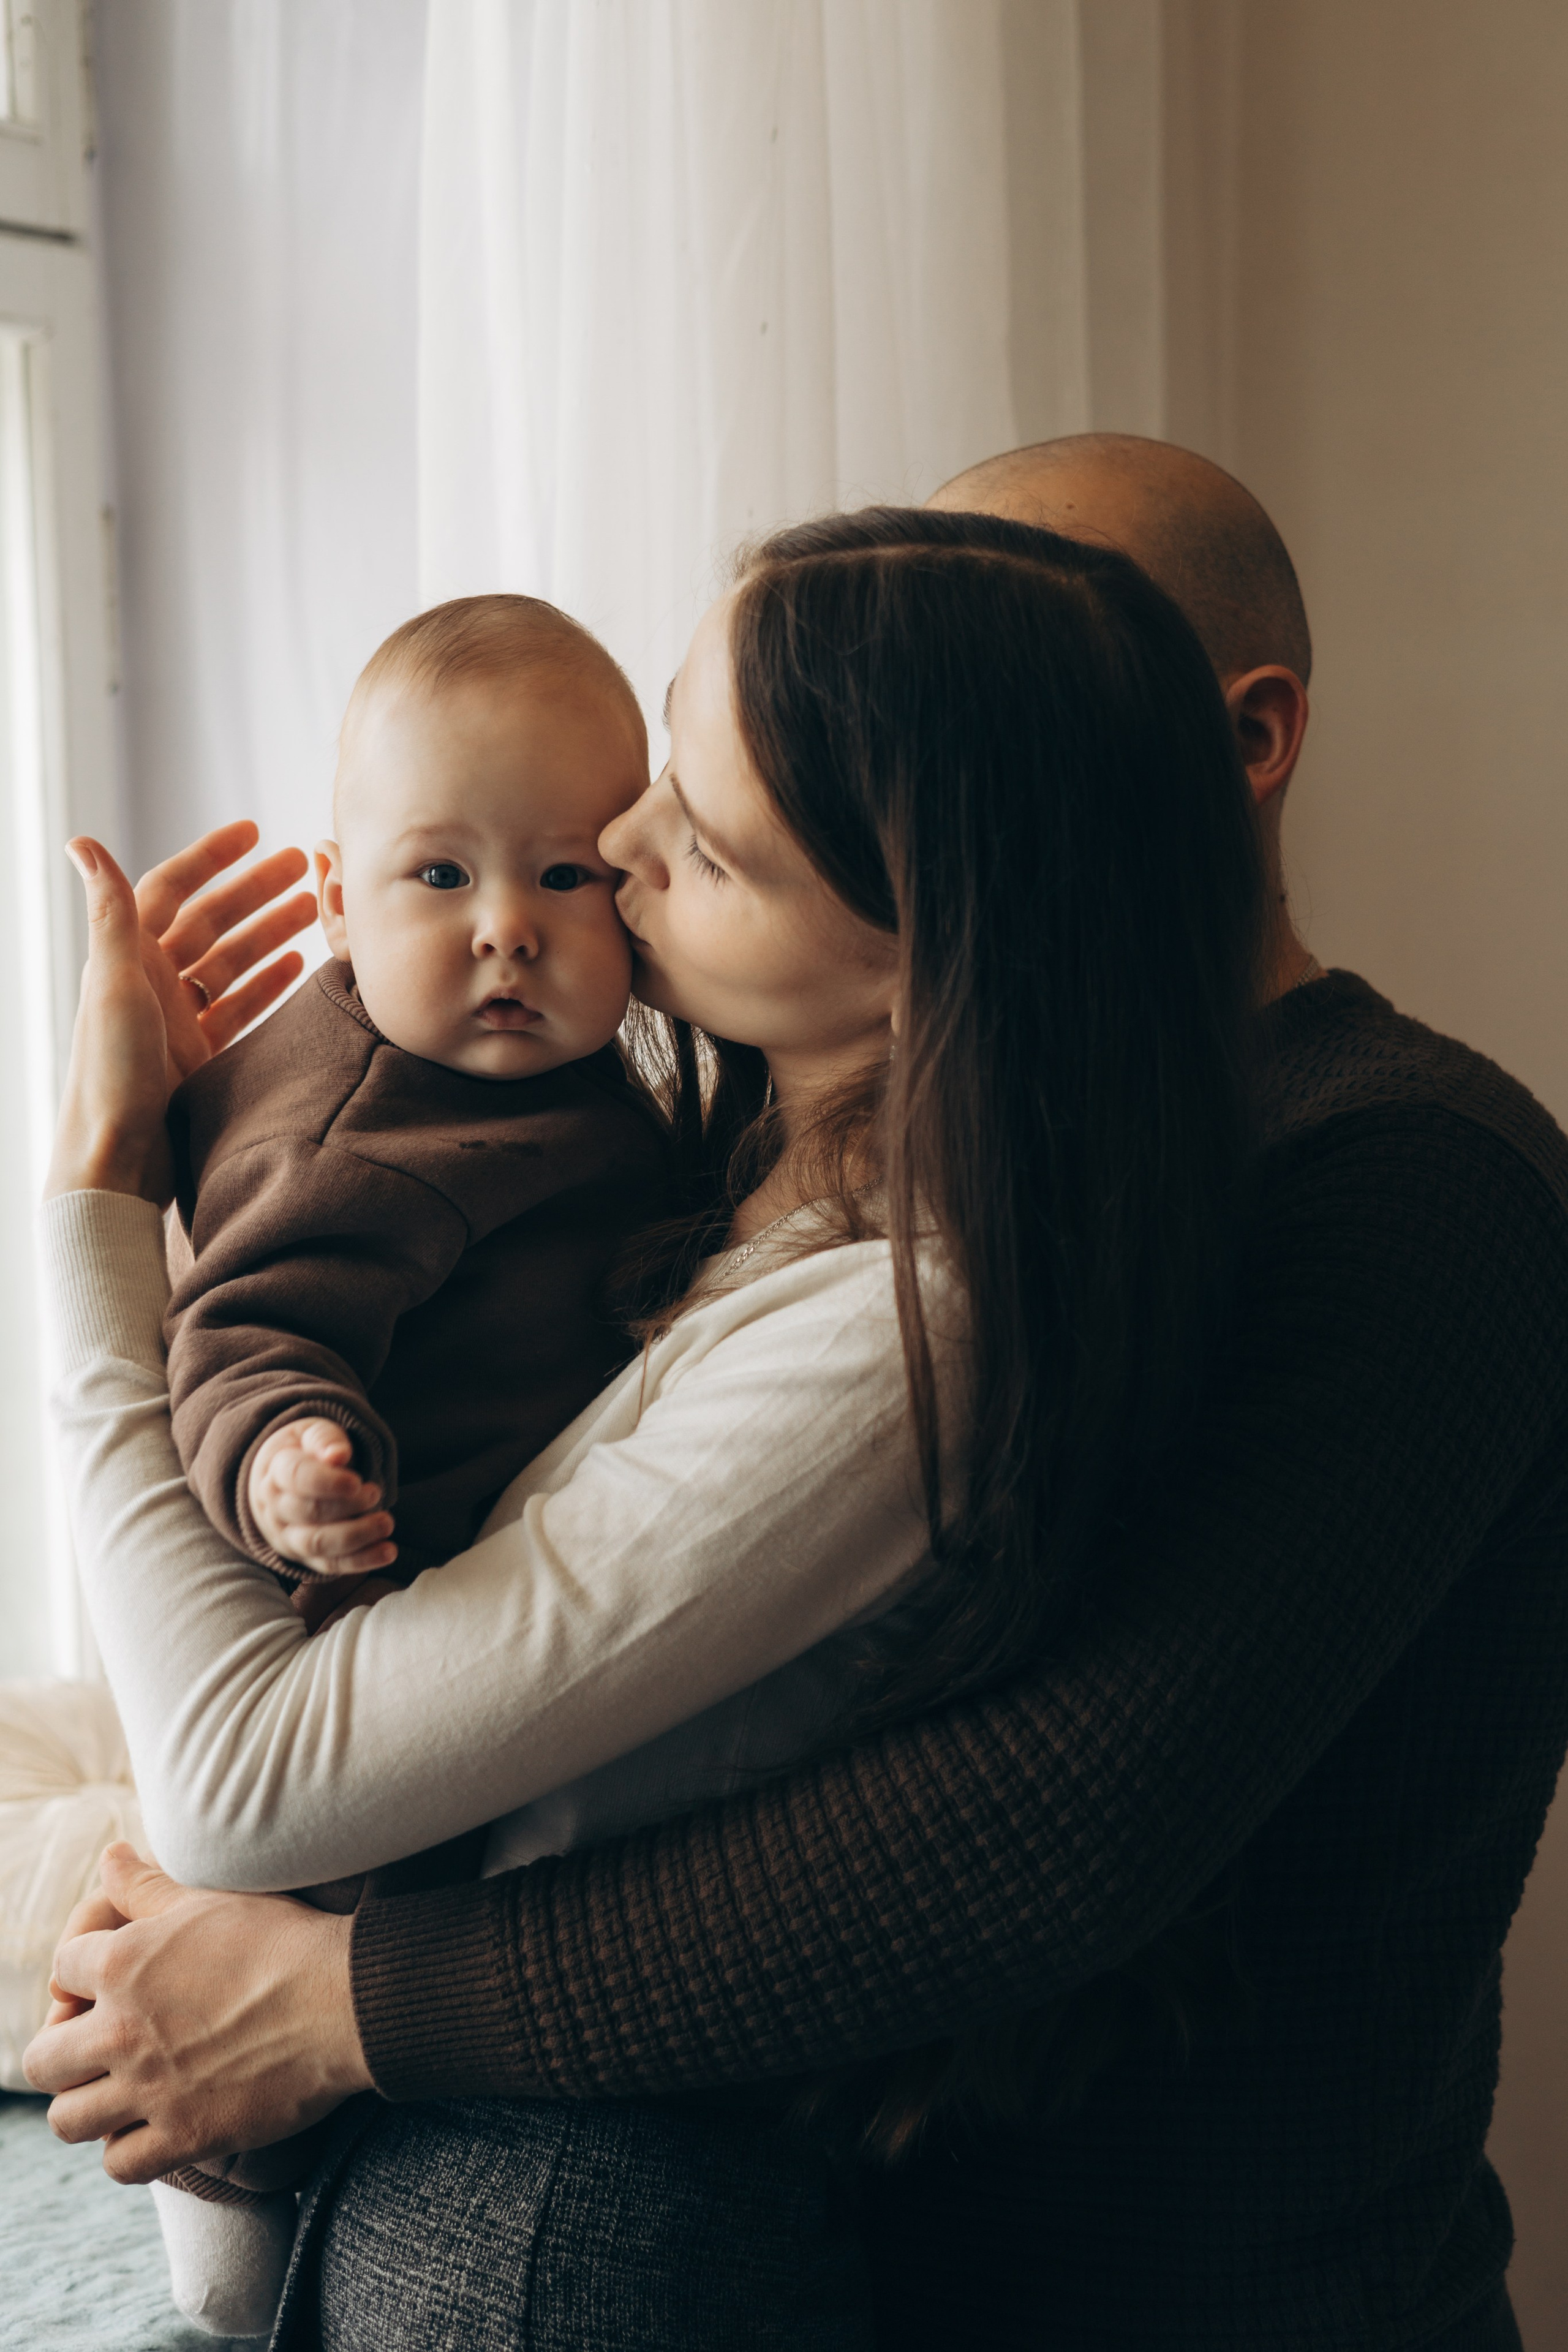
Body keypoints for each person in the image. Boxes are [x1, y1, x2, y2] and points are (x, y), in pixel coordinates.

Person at [29, 450, 1568, 2352]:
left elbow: (1038, 1824)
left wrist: (343, 1999)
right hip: (801, 2208)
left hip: (1186, 2282)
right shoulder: (813, 1111)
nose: (630, 842)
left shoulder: (1398, 1182)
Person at [152, 592, 672, 2337]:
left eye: (569, 876)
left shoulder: (584, 1076)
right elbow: (236, 1334)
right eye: (440, 879)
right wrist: (293, 1454)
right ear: (333, 894)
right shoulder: (351, 1129)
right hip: (362, 1638)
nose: (509, 933)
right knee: (330, 1961)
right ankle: (222, 2219)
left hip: (500, 1624)